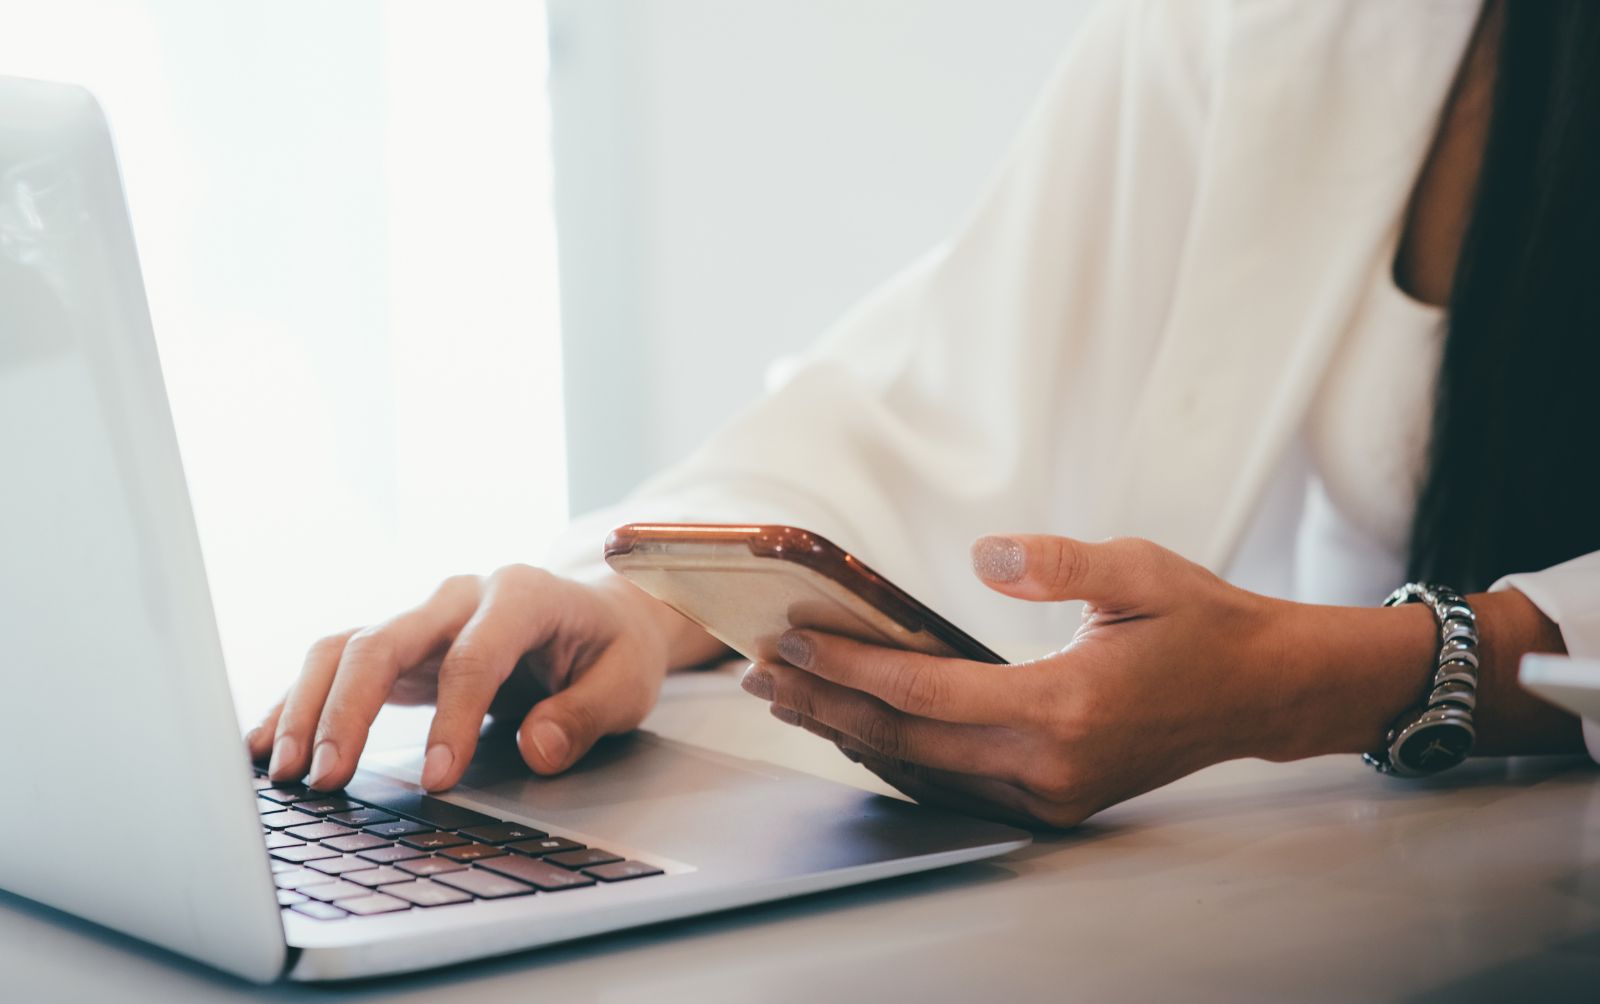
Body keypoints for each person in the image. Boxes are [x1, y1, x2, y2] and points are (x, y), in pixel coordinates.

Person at [248, 0, 1600, 828]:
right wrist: (646, 597)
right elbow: (943, 395)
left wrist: (1321, 682)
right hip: (1382, 903)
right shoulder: (1261, 21)